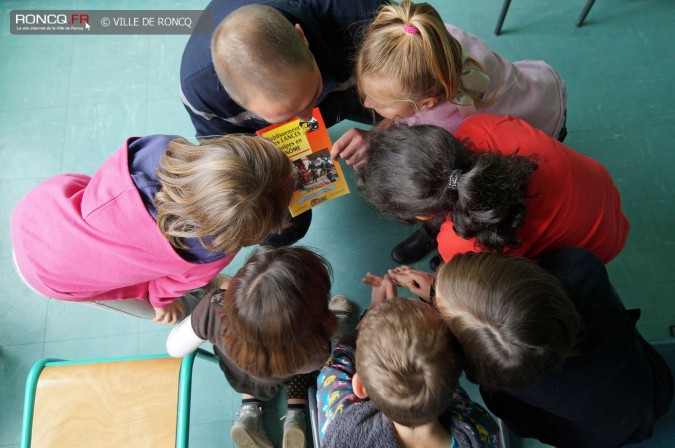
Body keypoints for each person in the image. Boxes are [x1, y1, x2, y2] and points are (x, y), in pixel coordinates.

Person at [331, 0, 566, 265]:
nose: (367, 105)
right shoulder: (430, 41)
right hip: (537, 95)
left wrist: (378, 142)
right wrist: (376, 133)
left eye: (381, 103)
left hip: (524, 139)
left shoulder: (446, 129)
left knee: (451, 187)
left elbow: (444, 178)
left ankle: (444, 233)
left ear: (428, 102)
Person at [11, 134, 294, 324]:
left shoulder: (165, 147)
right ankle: (199, 293)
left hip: (37, 210)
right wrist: (161, 303)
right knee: (158, 304)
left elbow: (105, 175)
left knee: (99, 209)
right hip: (52, 279)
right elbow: (169, 285)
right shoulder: (212, 253)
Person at [414, 249, 673, 448]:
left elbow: (521, 418)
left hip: (594, 439)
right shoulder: (581, 270)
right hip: (651, 389)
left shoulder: (500, 383)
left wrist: (438, 298)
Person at [180, 0, 386, 248]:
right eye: (283, 118)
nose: (307, 121)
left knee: (412, 148)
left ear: (302, 37)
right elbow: (226, 155)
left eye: (313, 96)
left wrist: (384, 132)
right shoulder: (201, 92)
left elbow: (430, 90)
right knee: (275, 225)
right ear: (234, 99)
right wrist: (266, 172)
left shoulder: (366, 20)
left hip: (360, 90)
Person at [357, 115, 629, 266]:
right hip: (599, 190)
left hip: (591, 254)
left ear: (422, 216)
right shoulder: (482, 127)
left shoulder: (460, 246)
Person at [167, 247, 343, 448]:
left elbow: (174, 347)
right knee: (297, 370)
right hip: (285, 370)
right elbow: (318, 357)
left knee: (254, 365)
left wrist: (220, 292)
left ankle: (249, 413)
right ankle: (296, 414)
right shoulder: (316, 349)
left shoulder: (213, 308)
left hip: (239, 374)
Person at [317, 281, 500, 448]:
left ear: (360, 387)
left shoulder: (341, 432)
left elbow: (334, 369)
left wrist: (371, 313)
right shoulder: (479, 430)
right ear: (454, 381)